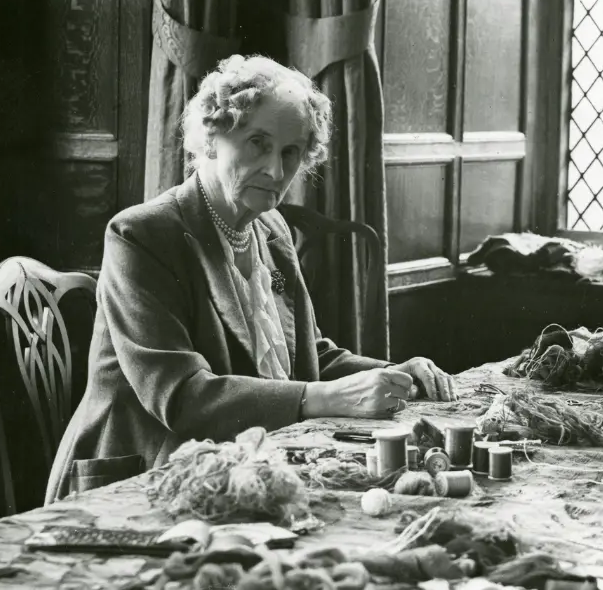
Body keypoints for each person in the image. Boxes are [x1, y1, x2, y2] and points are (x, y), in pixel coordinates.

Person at [44, 55, 455, 503]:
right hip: (140, 481)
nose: (276, 171)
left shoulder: (269, 228)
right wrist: (326, 397)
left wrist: (395, 374)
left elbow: (308, 354)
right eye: (258, 142)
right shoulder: (141, 235)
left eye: (290, 152)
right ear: (212, 136)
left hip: (241, 466)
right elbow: (181, 396)